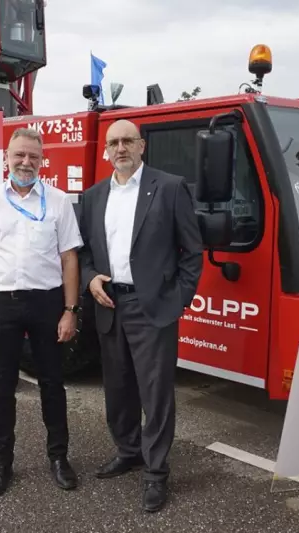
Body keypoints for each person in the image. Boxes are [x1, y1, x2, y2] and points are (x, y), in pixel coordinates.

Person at [78, 119, 204, 512]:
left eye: (128, 141)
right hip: (109, 304)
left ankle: (156, 472)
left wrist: (178, 300)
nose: (121, 148)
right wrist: (89, 279)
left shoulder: (168, 187)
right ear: (106, 150)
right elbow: (83, 253)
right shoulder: (94, 196)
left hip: (153, 308)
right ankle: (128, 450)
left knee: (156, 393)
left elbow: (193, 252)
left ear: (141, 146)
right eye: (113, 142)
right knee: (117, 388)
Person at [0, 127, 84, 498]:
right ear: (7, 157)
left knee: (52, 383)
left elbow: (69, 260)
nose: (26, 162)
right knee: (2, 387)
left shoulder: (60, 201)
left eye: (33, 156)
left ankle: (59, 458)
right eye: (19, 155)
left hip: (48, 304)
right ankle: (2, 463)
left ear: (42, 159)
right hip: (3, 304)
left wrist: (70, 311)